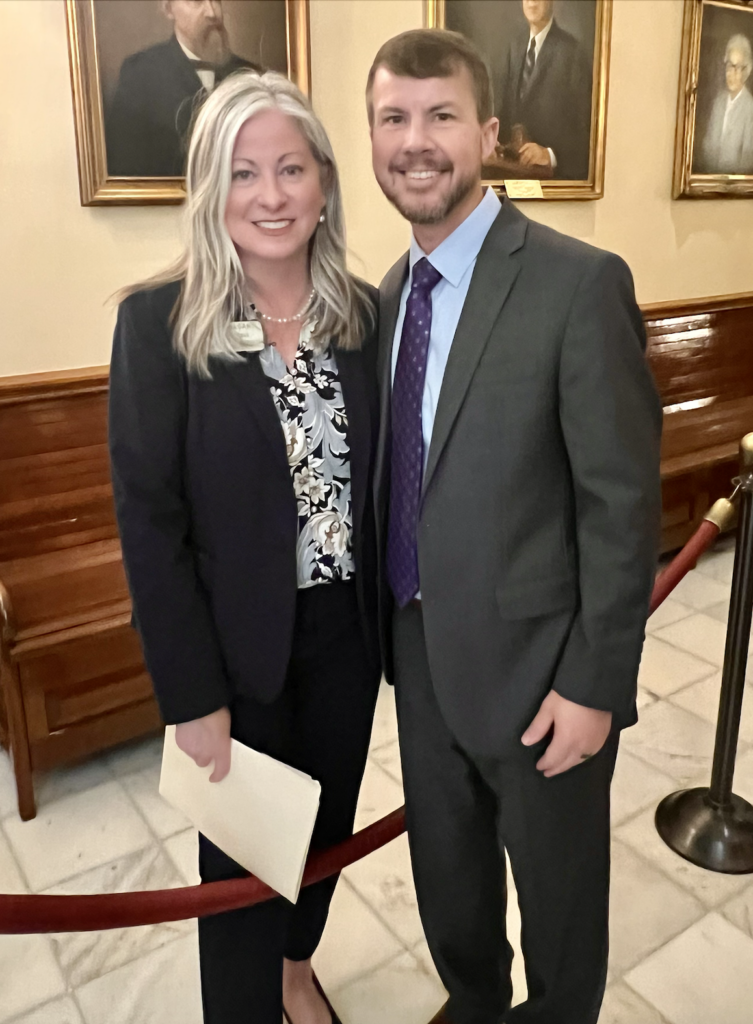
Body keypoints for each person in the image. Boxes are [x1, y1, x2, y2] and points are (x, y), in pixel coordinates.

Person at [367, 28, 661, 1024]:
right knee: (450, 888)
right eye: (393, 118)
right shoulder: (390, 295)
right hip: (422, 659)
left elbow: (621, 505)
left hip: (546, 678)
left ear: (487, 132)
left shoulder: (579, 283)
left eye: (440, 115)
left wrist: (594, 683)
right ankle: (475, 1003)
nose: (416, 140)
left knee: (562, 909)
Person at [109, 70, 381, 1024]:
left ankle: (297, 965)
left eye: (291, 170)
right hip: (233, 655)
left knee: (326, 836)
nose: (270, 196)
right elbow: (150, 521)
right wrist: (191, 697)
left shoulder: (363, 316)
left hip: (346, 640)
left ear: (323, 184)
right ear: (209, 190)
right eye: (243, 173)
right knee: (236, 874)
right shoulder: (161, 324)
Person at [105, 0, 260, 177]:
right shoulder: (140, 74)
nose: (213, 12)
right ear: (168, 9)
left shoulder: (250, 76)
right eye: (196, 1)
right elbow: (124, 170)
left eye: (216, 0)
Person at [495, 0, 592, 180]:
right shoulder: (515, 47)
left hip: (553, 179)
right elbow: (504, 112)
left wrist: (550, 155)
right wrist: (493, 142)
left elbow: (587, 131)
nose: (532, 2)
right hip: (513, 172)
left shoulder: (572, 52)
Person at [698, 32, 753, 175]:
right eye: (729, 66)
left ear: (746, 71)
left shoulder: (750, 109)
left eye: (737, 67)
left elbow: (748, 162)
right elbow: (707, 146)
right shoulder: (718, 102)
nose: (731, 73)